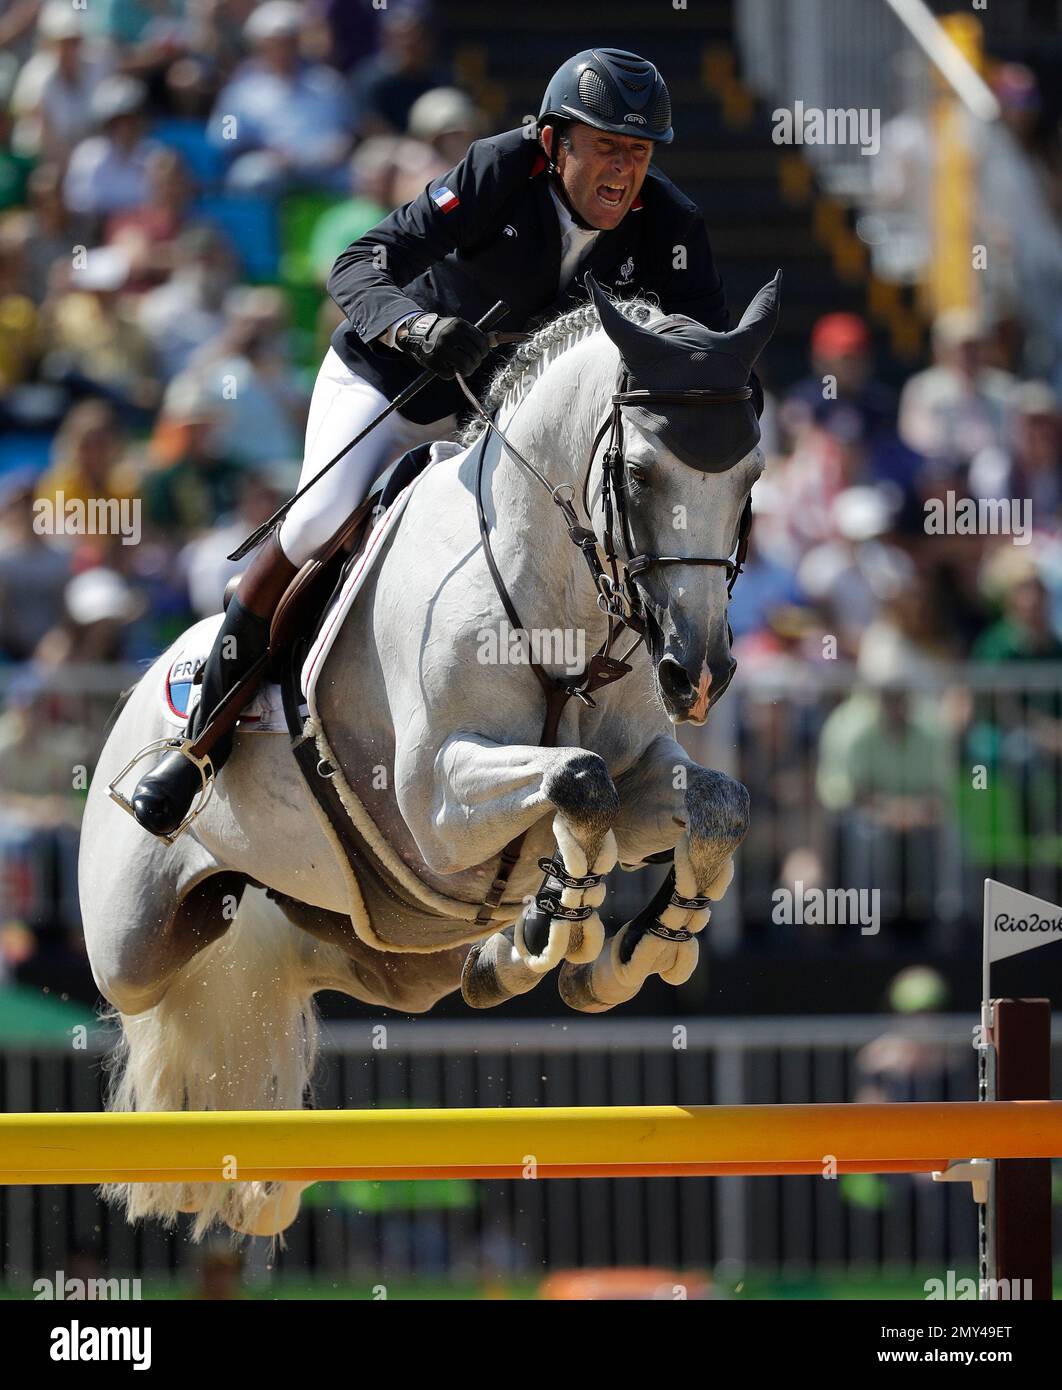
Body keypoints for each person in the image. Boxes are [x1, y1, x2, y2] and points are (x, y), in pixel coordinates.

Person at [130, 46, 738, 837]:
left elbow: (709, 357)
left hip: (489, 425)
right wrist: (415, 326)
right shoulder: (498, 172)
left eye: (639, 151)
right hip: (393, 383)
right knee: (319, 524)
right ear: (556, 144)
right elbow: (359, 263)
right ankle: (201, 741)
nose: (624, 172)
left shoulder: (672, 228)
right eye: (607, 147)